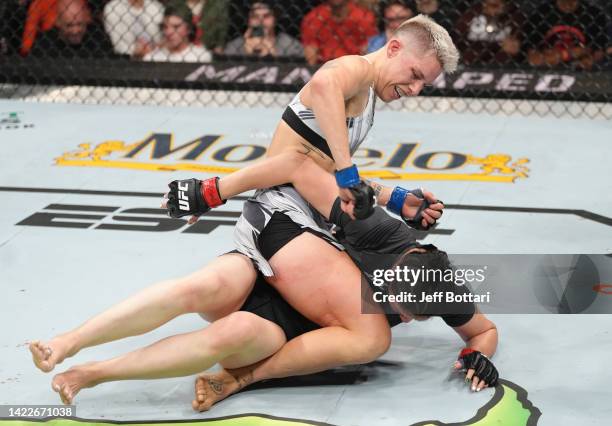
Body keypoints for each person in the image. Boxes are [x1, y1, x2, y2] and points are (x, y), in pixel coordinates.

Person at [30, 156, 498, 406]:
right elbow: (308, 171)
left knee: (230, 336)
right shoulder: (379, 230)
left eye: (406, 314)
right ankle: (68, 341)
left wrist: (477, 357)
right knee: (199, 286)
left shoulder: (443, 288)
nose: (395, 310)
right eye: (391, 296)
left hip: (293, 329)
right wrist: (215, 191)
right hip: (272, 274)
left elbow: (482, 330)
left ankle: (91, 374)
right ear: (402, 260)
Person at [525, 0, 607, 71]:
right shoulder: (540, 13)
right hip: (545, 71)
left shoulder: (594, 14)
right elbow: (533, 59)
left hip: (581, 74)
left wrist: (563, 55)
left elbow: (597, 54)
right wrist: (566, 54)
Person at [29, 0, 115, 58]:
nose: (75, 31)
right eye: (69, 25)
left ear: (86, 20)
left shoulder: (98, 40)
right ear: (58, 22)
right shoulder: (44, 45)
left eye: (80, 24)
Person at [301, 0, 377, 65]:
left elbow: (369, 54)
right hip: (324, 69)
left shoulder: (364, 17)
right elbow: (311, 59)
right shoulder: (313, 18)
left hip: (356, 68)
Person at [454, 0, 524, 66]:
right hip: (469, 61)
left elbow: (518, 46)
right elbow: (455, 40)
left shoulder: (515, 16)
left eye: (504, 5)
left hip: (501, 64)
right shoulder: (470, 13)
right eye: (494, 6)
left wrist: (513, 46)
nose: (499, 9)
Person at [224, 1, 303, 58]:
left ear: (275, 19)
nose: (260, 20)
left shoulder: (291, 45)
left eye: (266, 16)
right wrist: (247, 55)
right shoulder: (235, 46)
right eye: (255, 16)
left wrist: (272, 54)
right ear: (248, 20)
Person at [144, 1, 212, 63]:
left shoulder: (201, 57)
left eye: (176, 27)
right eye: (165, 27)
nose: (169, 32)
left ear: (188, 29)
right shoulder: (151, 58)